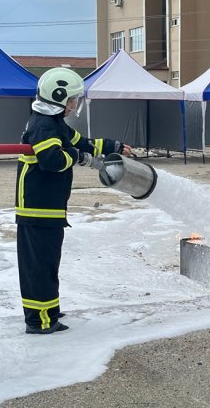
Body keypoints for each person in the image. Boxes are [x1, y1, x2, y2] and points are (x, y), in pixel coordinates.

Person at [16, 67, 132, 334]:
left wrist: (114, 146)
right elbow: (52, 160)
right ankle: (39, 320)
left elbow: (82, 142)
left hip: (49, 207)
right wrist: (80, 159)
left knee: (47, 265)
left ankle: (49, 311)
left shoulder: (55, 123)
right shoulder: (43, 125)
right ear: (58, 98)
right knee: (39, 267)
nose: (74, 105)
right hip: (37, 209)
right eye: (71, 99)